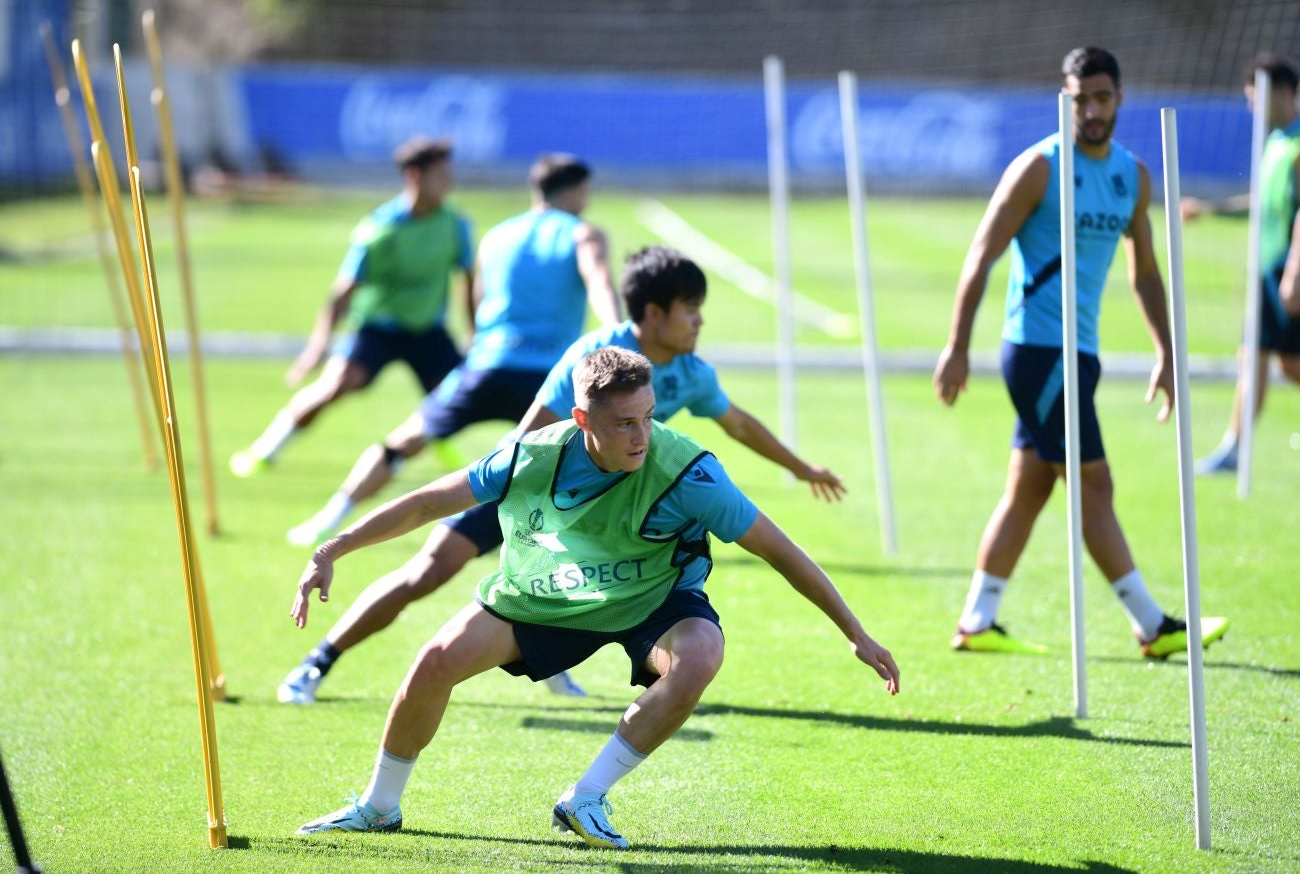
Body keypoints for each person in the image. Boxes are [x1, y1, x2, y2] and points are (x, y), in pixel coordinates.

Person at [289, 347, 899, 848]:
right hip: (550, 591)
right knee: (432, 664)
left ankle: (585, 798)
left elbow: (781, 549)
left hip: (654, 600)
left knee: (701, 655)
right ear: (583, 422)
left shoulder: (690, 472)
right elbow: (427, 502)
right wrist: (332, 549)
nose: (642, 436)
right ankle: (378, 806)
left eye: (649, 417)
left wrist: (856, 632)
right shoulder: (531, 455)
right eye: (624, 423)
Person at [276, 247, 846, 703]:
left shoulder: (690, 373)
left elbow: (739, 424)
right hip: (529, 489)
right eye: (690, 309)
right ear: (654, 314)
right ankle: (318, 660)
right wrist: (527, 522)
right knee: (426, 571)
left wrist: (801, 468)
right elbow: (534, 434)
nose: (699, 321)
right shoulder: (599, 356)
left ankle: (546, 654)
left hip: (601, 509)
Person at [932, 47, 1229, 659]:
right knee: (1095, 486)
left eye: (1101, 98)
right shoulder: (1038, 167)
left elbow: (1144, 272)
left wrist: (1167, 352)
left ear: (1120, 98)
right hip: (1039, 351)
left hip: (1080, 355)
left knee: (1030, 487)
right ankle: (1152, 624)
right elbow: (981, 253)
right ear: (1064, 98)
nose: (1090, 110)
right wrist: (957, 345)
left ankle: (978, 619)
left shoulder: (1132, 175)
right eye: (1078, 99)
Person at [285, 154, 620, 547]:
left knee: (401, 443)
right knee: (602, 454)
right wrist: (615, 336)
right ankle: (604, 540)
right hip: (549, 377)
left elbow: (478, 298)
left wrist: (479, 342)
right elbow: (598, 281)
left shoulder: (496, 236)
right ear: (578, 191)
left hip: (488, 365)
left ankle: (330, 518)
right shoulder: (582, 233)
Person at [229, 137, 474, 477]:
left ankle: (437, 439)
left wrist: (474, 331)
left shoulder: (455, 225)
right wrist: (318, 348)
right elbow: (342, 293)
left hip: (428, 331)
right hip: (378, 328)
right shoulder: (380, 229)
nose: (449, 182)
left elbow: (469, 279)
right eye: (440, 175)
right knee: (335, 384)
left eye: (449, 173)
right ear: (415, 176)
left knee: (460, 395)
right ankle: (263, 450)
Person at [1183, 54, 1300, 473]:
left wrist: (1293, 271)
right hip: (1268, 266)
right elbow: (1262, 204)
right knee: (1251, 357)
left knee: (1290, 364)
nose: (1252, 106)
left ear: (1284, 93)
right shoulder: (1276, 142)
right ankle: (1234, 448)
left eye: (1257, 96)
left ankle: (1237, 447)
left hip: (1286, 268)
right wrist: (1211, 209)